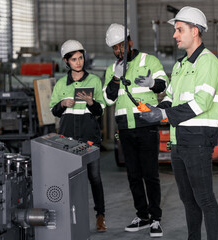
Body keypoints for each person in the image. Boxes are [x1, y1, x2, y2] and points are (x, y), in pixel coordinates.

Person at [140, 6, 218, 240]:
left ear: (195, 31)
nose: (175, 35)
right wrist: (156, 110)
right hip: (178, 140)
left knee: (204, 198)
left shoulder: (207, 62)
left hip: (198, 139)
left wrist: (164, 116)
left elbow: (202, 103)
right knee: (188, 199)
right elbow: (170, 98)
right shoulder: (179, 65)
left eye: (179, 30)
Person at [103, 23, 168, 238]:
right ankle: (142, 215)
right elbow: (108, 98)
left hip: (146, 125)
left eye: (122, 45)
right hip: (125, 128)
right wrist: (115, 77)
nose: (119, 50)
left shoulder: (149, 60)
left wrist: (151, 83)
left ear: (130, 42)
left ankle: (156, 218)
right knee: (133, 175)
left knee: (150, 175)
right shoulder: (112, 69)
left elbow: (163, 84)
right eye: (115, 48)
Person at [49, 40, 107, 232]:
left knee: (95, 178)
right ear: (66, 61)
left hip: (90, 138)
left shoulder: (94, 81)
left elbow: (101, 110)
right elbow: (54, 111)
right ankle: (69, 217)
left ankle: (100, 217)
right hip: (67, 140)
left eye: (80, 57)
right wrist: (63, 104)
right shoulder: (60, 85)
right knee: (70, 180)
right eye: (74, 59)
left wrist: (91, 102)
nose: (78, 62)